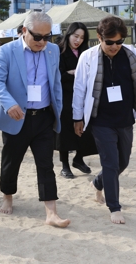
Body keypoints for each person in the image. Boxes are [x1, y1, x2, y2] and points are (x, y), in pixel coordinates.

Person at [73, 16, 136, 224]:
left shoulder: (132, 54)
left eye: (119, 41)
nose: (115, 46)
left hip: (125, 118)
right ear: (99, 37)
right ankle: (114, 207)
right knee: (110, 162)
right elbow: (79, 89)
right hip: (100, 120)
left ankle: (98, 183)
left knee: (122, 162)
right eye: (110, 42)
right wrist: (77, 117)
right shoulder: (87, 57)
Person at [0, 11, 70, 228]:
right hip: (17, 116)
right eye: (37, 37)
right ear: (24, 31)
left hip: (44, 117)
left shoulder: (53, 51)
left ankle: (51, 212)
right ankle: (8, 195)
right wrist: (9, 103)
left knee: (45, 164)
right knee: (11, 161)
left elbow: (56, 84)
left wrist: (58, 111)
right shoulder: (7, 51)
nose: (42, 42)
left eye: (47, 37)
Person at [57, 23, 98, 179]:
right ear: (68, 34)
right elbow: (57, 76)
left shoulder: (86, 53)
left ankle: (78, 158)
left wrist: (75, 74)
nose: (78, 40)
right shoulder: (59, 52)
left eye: (82, 37)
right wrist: (73, 73)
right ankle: (65, 166)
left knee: (85, 128)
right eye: (76, 36)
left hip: (83, 96)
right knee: (65, 132)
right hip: (65, 97)